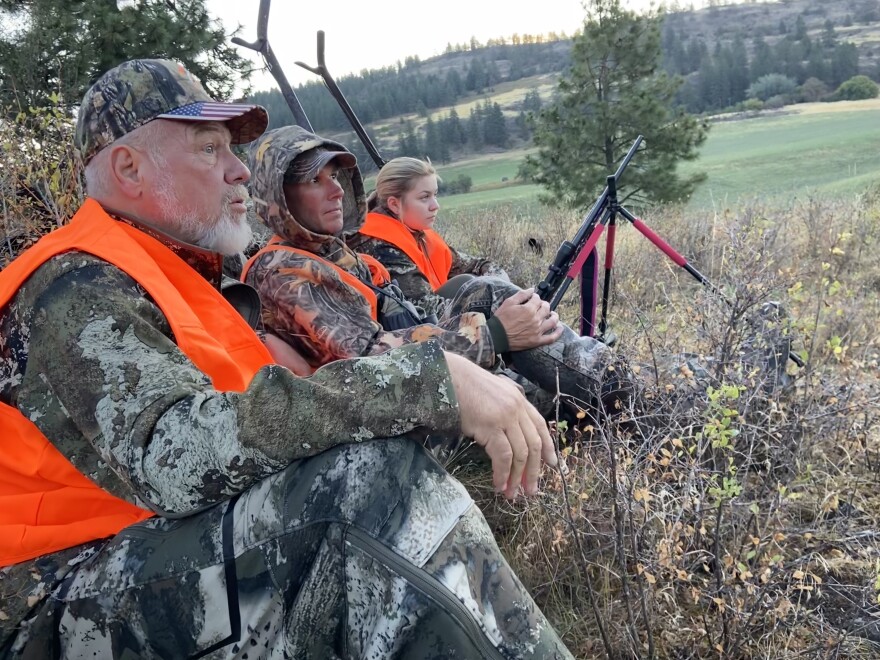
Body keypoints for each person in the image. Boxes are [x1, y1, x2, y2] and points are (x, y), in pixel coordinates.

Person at [0, 58, 575, 659]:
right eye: (209, 149)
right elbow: (177, 457)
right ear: (129, 168)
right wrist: (427, 378)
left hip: (151, 548)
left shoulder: (181, 274)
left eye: (233, 150)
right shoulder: (74, 285)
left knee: (372, 467)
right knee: (361, 487)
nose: (239, 170)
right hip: (52, 596)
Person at [243, 125, 622, 416]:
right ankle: (625, 394)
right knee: (542, 396)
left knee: (490, 298)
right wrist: (494, 335)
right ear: (278, 198)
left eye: (334, 177)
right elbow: (369, 360)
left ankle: (614, 384)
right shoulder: (283, 271)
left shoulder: (328, 252)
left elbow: (414, 312)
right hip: (388, 407)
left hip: (421, 375)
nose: (337, 191)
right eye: (314, 180)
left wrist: (497, 326)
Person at [349, 156, 508, 322]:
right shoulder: (379, 245)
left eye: (435, 195)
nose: (435, 205)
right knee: (476, 287)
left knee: (470, 281)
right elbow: (428, 311)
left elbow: (478, 265)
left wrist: (501, 285)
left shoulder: (418, 233)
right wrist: (498, 301)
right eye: (424, 197)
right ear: (394, 204)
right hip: (414, 331)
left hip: (440, 324)